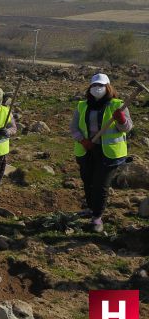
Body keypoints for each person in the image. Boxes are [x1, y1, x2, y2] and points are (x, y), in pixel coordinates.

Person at [69, 73, 132, 233]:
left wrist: (121, 119)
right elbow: (74, 127)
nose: (98, 89)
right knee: (88, 181)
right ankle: (91, 208)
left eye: (101, 86)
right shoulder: (82, 105)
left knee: (100, 185)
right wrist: (83, 141)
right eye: (95, 86)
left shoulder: (118, 105)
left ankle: (97, 218)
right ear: (90, 88)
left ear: (108, 87)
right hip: (87, 150)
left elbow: (127, 128)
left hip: (109, 153)